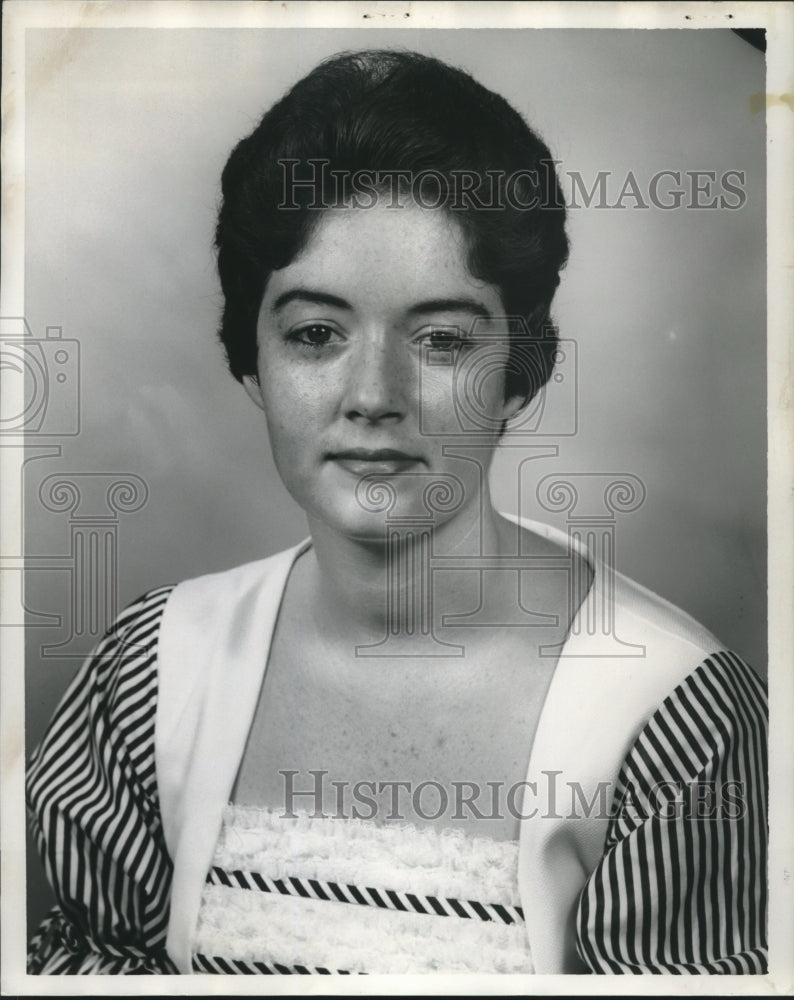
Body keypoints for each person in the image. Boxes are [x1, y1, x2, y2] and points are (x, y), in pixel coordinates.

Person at [26, 49, 767, 976]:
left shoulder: (670, 719)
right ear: (252, 357)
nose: (373, 394)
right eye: (316, 334)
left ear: (518, 371)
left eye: (443, 339)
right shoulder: (148, 674)